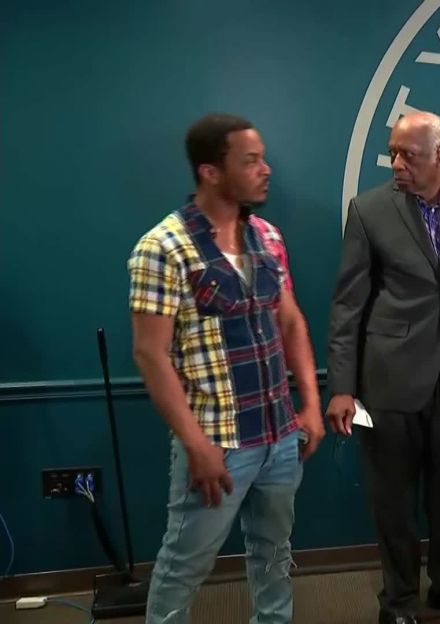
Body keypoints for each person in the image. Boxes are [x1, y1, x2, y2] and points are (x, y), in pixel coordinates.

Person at [129, 113, 324, 624]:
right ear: (211, 171)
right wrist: (196, 445)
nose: (266, 170)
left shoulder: (266, 236)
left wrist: (310, 404)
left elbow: (291, 322)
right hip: (218, 439)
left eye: (263, 159)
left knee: (274, 555)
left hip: (280, 434)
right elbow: (150, 354)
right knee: (184, 565)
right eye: (251, 161)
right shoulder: (163, 248)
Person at [325, 110, 440, 624]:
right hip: (388, 380)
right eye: (393, 152)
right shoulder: (368, 211)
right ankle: (399, 602)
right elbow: (347, 306)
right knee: (394, 501)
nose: (397, 163)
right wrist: (341, 387)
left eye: (409, 154)